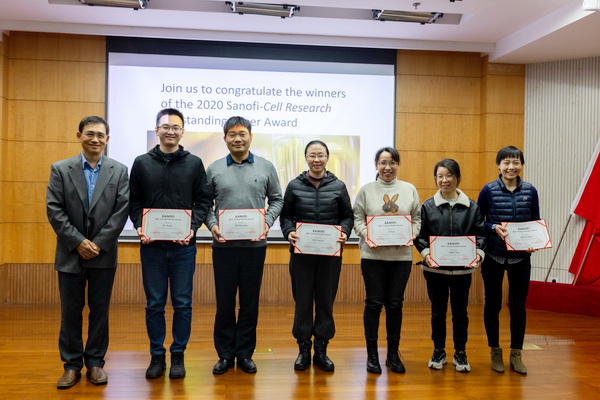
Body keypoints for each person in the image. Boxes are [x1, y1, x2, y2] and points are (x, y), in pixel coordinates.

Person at [46, 116, 129, 389]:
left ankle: (95, 363)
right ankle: (71, 366)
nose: (95, 139)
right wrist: (78, 242)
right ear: (79, 135)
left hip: (103, 254)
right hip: (70, 252)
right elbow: (54, 209)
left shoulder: (119, 171)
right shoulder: (60, 169)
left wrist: (99, 243)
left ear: (108, 139)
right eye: (90, 133)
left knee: (100, 311)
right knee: (70, 312)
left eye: (100, 135)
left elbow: (121, 211)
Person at [129, 108, 212, 380]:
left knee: (182, 304)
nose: (170, 131)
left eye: (176, 127)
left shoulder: (194, 163)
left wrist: (191, 227)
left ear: (182, 132)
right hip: (152, 246)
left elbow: (203, 201)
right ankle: (157, 355)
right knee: (154, 304)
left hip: (183, 247)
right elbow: (134, 201)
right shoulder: (141, 163)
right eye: (165, 127)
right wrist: (139, 225)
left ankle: (178, 354)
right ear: (157, 130)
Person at [205, 116, 283, 375]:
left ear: (251, 137)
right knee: (224, 303)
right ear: (225, 138)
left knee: (249, 303)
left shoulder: (266, 167)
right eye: (232, 134)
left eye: (242, 134)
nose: (237, 139)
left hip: (254, 247)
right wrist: (212, 225)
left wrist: (267, 222)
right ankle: (225, 354)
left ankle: (245, 353)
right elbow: (204, 205)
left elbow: (277, 199)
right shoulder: (214, 168)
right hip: (223, 248)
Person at [280, 140, 354, 372]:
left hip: (330, 255)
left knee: (325, 302)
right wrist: (289, 232)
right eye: (312, 155)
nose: (316, 159)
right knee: (302, 303)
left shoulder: (338, 186)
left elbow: (347, 217)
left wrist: (344, 232)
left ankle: (321, 350)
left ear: (327, 158)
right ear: (306, 158)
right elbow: (285, 217)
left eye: (320, 155)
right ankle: (303, 349)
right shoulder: (294, 185)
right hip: (302, 256)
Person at [353, 147, 421, 374]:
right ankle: (372, 355)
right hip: (372, 257)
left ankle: (393, 354)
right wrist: (368, 234)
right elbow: (357, 218)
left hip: (401, 257)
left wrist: (412, 234)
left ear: (398, 165)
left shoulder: (409, 189)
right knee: (373, 304)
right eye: (383, 162)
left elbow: (417, 218)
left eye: (392, 162)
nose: (387, 167)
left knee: (395, 304)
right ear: (376, 165)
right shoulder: (366, 190)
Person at [415, 158, 486, 373]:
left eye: (449, 175)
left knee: (460, 313)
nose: (444, 180)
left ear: (457, 178)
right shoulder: (427, 206)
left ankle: (460, 352)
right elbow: (420, 235)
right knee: (437, 312)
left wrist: (478, 253)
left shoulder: (472, 206)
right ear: (435, 178)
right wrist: (426, 253)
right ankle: (438, 350)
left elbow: (481, 234)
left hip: (462, 270)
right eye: (440, 176)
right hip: (434, 269)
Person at [477, 146, 540, 375]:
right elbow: (478, 221)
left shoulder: (530, 191)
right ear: (499, 165)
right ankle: (495, 351)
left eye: (515, 162)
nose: (511, 167)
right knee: (493, 304)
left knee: (518, 306)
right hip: (493, 255)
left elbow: (535, 220)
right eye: (506, 162)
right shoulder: (488, 190)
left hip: (521, 257)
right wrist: (493, 226)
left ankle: (516, 354)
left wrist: (535, 240)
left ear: (521, 164)